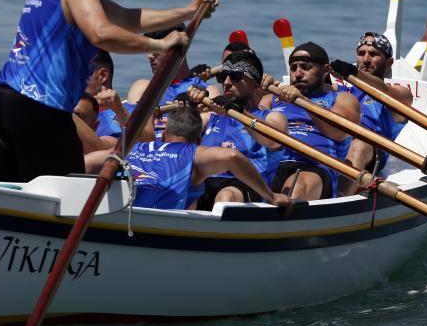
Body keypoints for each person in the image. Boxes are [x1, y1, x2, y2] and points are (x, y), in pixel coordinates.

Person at [0, 0, 218, 182]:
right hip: (41, 109)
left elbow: (126, 18)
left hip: (5, 99)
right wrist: (160, 44)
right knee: (67, 192)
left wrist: (187, 12)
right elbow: (100, 33)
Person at [85, 105, 292, 211]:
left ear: (163, 135)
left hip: (122, 219)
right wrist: (271, 196)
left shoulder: (133, 150)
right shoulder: (194, 153)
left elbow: (88, 162)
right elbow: (232, 156)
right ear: (198, 139)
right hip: (162, 230)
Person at [259, 42, 360, 201]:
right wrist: (254, 92)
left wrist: (304, 102)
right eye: (293, 68)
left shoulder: (341, 98)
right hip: (271, 166)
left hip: (315, 167)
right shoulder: (270, 99)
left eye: (305, 67)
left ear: (325, 70)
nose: (298, 74)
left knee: (296, 186)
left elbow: (338, 133)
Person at [187, 50, 288, 209]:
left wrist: (240, 113)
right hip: (206, 181)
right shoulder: (209, 118)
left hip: (249, 185)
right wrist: (189, 108)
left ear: (254, 85)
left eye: (235, 77)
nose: (226, 82)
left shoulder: (272, 117)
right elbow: (177, 141)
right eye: (223, 77)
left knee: (226, 196)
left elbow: (272, 141)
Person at [331, 32, 413, 194]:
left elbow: (385, 91)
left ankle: (339, 198)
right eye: (361, 53)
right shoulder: (345, 90)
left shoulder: (398, 93)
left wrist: (354, 73)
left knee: (359, 144)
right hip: (339, 142)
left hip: (371, 151)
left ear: (389, 62)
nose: (366, 59)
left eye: (373, 54)